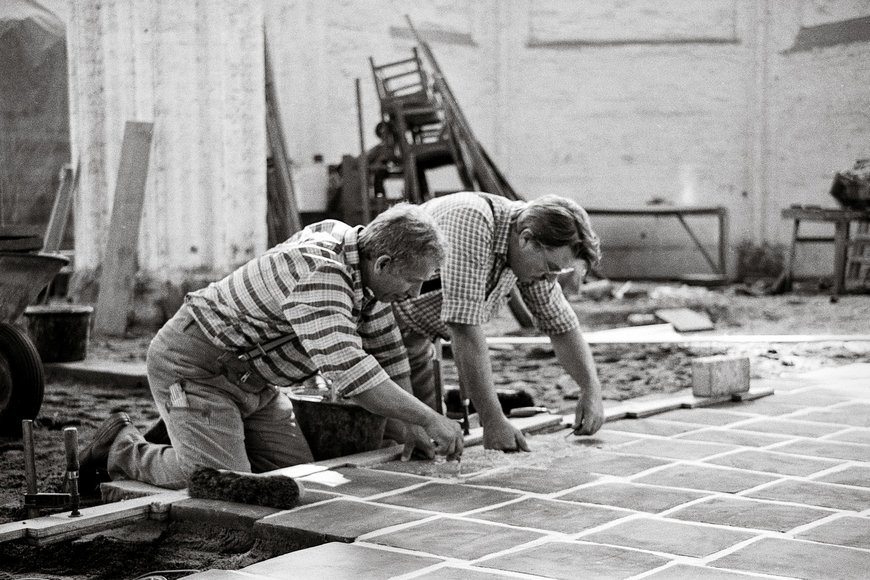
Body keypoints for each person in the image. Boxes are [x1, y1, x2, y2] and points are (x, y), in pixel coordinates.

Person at [78, 204, 464, 490]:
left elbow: (388, 352)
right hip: (196, 368)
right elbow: (353, 375)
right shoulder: (321, 275)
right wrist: (430, 419)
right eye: (413, 281)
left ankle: (197, 432)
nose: (415, 293)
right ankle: (121, 447)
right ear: (382, 263)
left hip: (257, 384)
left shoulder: (361, 263)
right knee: (218, 483)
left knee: (292, 478)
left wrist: (410, 425)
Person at [392, 191, 605, 452]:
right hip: (376, 328)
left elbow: (561, 326)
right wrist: (493, 420)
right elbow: (464, 327)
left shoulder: (528, 259)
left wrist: (591, 389)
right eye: (550, 268)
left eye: (557, 272)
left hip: (416, 338)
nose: (550, 280)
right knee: (390, 441)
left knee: (428, 444)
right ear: (527, 239)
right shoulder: (471, 220)